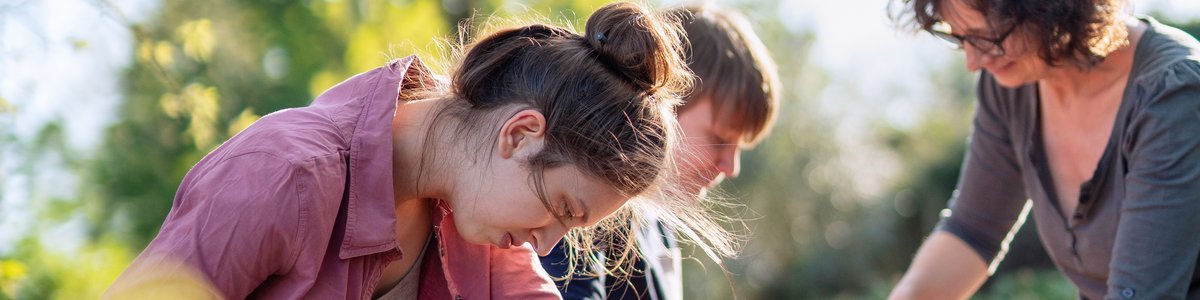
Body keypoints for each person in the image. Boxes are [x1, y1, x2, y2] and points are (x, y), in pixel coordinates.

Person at [104, 2, 736, 299]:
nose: (547, 244)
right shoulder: (283, 174)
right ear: (519, 134)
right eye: (563, 208)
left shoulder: (477, 221)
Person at [888, 0, 1200, 298]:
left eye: (989, 37)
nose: (973, 61)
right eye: (960, 37)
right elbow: (972, 231)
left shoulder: (1174, 95)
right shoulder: (1012, 86)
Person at [539, 4, 779, 299]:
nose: (731, 166)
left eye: (740, 146)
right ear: (662, 108)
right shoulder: (585, 207)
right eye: (720, 138)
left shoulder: (659, 226)